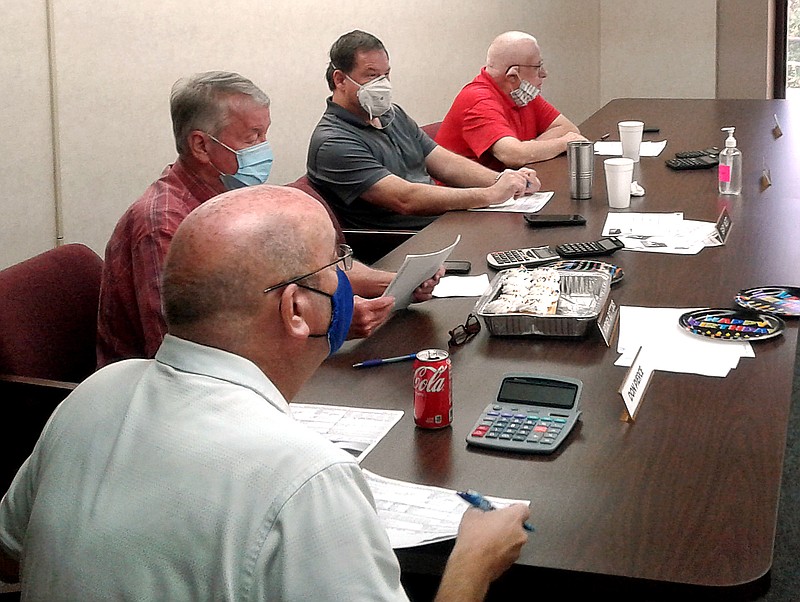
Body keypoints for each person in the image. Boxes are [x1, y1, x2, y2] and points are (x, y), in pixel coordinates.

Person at [0, 184, 531, 601]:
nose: (346, 281)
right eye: (336, 265)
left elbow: (11, 554)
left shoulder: (95, 393)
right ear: (296, 310)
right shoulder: (307, 477)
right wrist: (472, 563)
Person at [96, 70, 439, 369]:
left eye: (264, 134)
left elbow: (313, 268)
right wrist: (325, 328)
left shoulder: (236, 200)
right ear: (201, 145)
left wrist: (393, 284)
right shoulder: (163, 224)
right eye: (252, 138)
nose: (263, 148)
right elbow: (182, 350)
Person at [306, 30, 541, 231]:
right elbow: (405, 199)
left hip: (440, 223)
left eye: (386, 74)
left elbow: (445, 163)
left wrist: (506, 180)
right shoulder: (333, 142)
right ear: (340, 80)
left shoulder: (392, 115)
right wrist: (489, 195)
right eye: (371, 75)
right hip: (403, 244)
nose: (383, 83)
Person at [435, 31, 586, 170]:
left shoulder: (521, 92)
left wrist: (529, 148)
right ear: (513, 75)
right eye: (537, 67)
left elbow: (568, 128)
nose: (544, 73)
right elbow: (513, 155)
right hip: (467, 193)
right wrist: (564, 143)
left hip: (508, 185)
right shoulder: (478, 101)